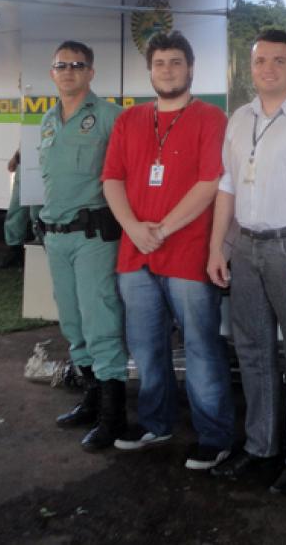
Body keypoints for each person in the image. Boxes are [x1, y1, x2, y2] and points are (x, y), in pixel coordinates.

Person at [206, 29, 286, 495]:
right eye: (261, 60)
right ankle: (260, 448)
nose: (268, 69)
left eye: (279, 61)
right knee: (253, 352)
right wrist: (218, 247)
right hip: (244, 246)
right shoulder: (238, 119)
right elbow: (227, 185)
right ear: (251, 67)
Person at [102, 31, 235, 470]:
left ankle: (214, 436)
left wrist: (161, 229)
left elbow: (210, 182)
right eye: (160, 63)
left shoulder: (211, 118)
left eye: (176, 62)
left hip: (189, 254)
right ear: (151, 70)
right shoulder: (129, 120)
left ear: (191, 68)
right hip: (135, 254)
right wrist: (134, 228)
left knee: (200, 347)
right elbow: (112, 180)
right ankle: (155, 424)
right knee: (145, 346)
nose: (168, 70)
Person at [38, 40, 128, 452]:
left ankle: (114, 416)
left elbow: (127, 176)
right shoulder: (48, 121)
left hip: (94, 237)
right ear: (52, 73)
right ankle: (91, 400)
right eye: (61, 65)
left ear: (91, 72)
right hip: (56, 237)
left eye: (77, 65)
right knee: (73, 325)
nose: (69, 71)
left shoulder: (111, 118)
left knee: (101, 324)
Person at [0, 149, 41, 269]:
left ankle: (38, 252)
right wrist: (16, 156)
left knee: (37, 212)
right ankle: (15, 250)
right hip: (26, 161)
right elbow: (27, 136)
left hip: (42, 161)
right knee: (16, 210)